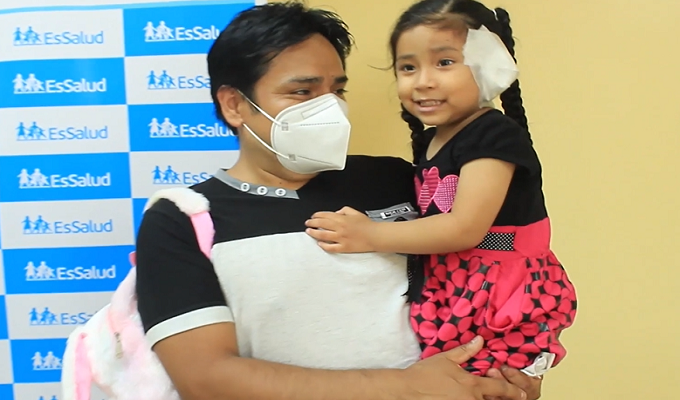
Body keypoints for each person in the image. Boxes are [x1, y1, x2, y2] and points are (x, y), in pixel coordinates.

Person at [134, 2, 541, 400]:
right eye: (302, 92)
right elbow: (206, 380)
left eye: (337, 90)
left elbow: (498, 264)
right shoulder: (183, 219)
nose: (329, 108)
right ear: (235, 105)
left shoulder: (400, 180)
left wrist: (517, 370)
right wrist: (405, 389)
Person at [305, 0, 578, 379]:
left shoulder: (493, 134)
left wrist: (369, 235)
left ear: (490, 66)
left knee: (480, 383)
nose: (423, 81)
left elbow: (464, 228)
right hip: (455, 283)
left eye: (444, 62)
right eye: (408, 67)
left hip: (499, 293)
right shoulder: (434, 139)